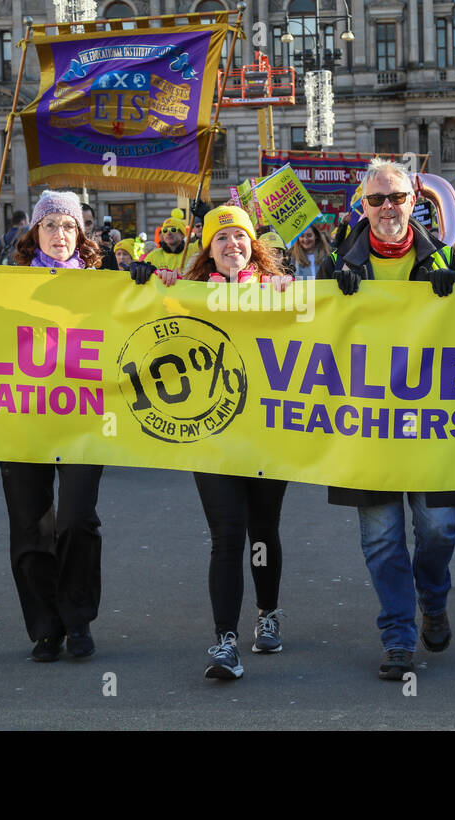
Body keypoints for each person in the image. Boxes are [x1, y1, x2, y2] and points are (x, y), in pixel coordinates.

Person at [316, 159, 455, 680]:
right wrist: (327, 295)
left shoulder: (451, 259)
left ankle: (432, 598)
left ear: (416, 201)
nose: (387, 208)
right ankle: (397, 637)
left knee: (438, 531)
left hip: (434, 432)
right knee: (383, 540)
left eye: (397, 198)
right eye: (376, 199)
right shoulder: (336, 264)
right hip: (367, 433)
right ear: (362, 206)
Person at [0, 190, 106, 662]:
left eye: (69, 226)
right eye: (50, 225)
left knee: (77, 520)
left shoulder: (104, 284)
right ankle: (46, 626)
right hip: (20, 419)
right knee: (31, 525)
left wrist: (142, 280)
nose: (59, 234)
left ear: (80, 233)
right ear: (34, 233)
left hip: (84, 420)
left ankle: (78, 620)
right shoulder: (5, 282)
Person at [130, 206, 294, 679]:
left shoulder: (277, 290)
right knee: (226, 536)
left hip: (268, 433)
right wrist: (141, 279)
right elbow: (142, 311)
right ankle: (225, 641)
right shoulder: (188, 293)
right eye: (221, 239)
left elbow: (317, 330)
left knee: (262, 531)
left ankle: (267, 615)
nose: (231, 245)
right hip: (213, 432)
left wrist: (311, 294)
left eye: (239, 237)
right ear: (208, 249)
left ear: (252, 244)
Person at [141, 208, 199, 274]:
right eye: (165, 230)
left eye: (173, 229)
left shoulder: (193, 249)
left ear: (182, 234)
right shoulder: (153, 256)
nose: (168, 233)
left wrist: (202, 218)